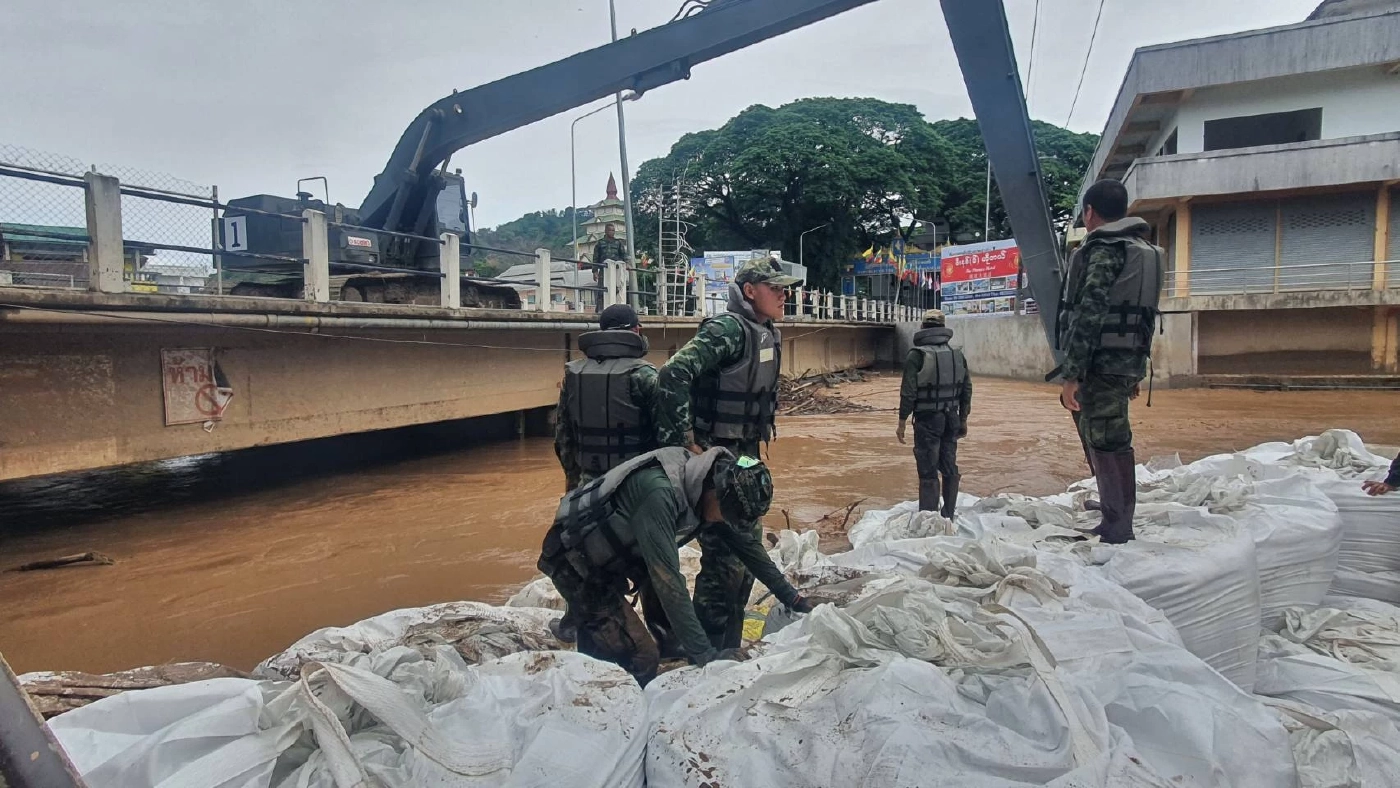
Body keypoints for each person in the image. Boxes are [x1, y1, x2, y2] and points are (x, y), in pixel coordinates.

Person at [535, 447, 813, 684]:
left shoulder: (708, 485)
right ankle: (614, 703)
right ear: (716, 493)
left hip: (621, 558)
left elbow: (748, 548)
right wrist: (706, 656)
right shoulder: (660, 494)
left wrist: (794, 598)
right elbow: (669, 582)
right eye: (726, 515)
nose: (724, 522)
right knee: (643, 657)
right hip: (578, 567)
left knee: (666, 640)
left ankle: (595, 635)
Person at [656, 256, 799, 650]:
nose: (783, 295)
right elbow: (673, 373)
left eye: (784, 288)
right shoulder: (728, 330)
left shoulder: (765, 331)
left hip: (746, 456)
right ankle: (708, 650)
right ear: (750, 291)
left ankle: (728, 646)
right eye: (775, 288)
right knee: (724, 560)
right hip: (718, 459)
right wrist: (686, 442)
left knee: (745, 551)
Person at [1055, 178, 1163, 544]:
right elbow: (1143, 317)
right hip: (1126, 359)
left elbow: (1090, 313)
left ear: (1089, 212)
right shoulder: (1144, 250)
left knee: (1106, 438)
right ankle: (1113, 509)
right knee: (1107, 433)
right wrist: (1136, 369)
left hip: (1100, 363)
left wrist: (1071, 374)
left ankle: (1117, 525)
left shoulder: (1104, 250)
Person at [554, 304, 658, 492]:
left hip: (587, 485)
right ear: (636, 330)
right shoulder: (644, 374)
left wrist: (573, 481)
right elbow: (668, 435)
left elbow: (563, 436)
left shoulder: (574, 375)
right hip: (636, 486)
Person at [896, 309, 972, 517]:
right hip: (952, 418)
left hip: (927, 420)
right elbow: (966, 389)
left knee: (928, 471)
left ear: (922, 327)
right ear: (943, 328)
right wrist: (963, 419)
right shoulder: (957, 355)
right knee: (949, 466)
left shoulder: (916, 355)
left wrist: (902, 421)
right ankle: (949, 515)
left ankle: (929, 519)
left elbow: (908, 392)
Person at [591, 223, 629, 311]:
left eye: (613, 230)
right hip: (603, 270)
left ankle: (616, 310)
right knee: (601, 290)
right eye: (610, 230)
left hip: (616, 271)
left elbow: (623, 255)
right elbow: (595, 258)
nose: (612, 232)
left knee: (617, 290)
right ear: (605, 231)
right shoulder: (600, 243)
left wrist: (627, 263)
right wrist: (595, 271)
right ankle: (600, 310)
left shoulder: (618, 243)